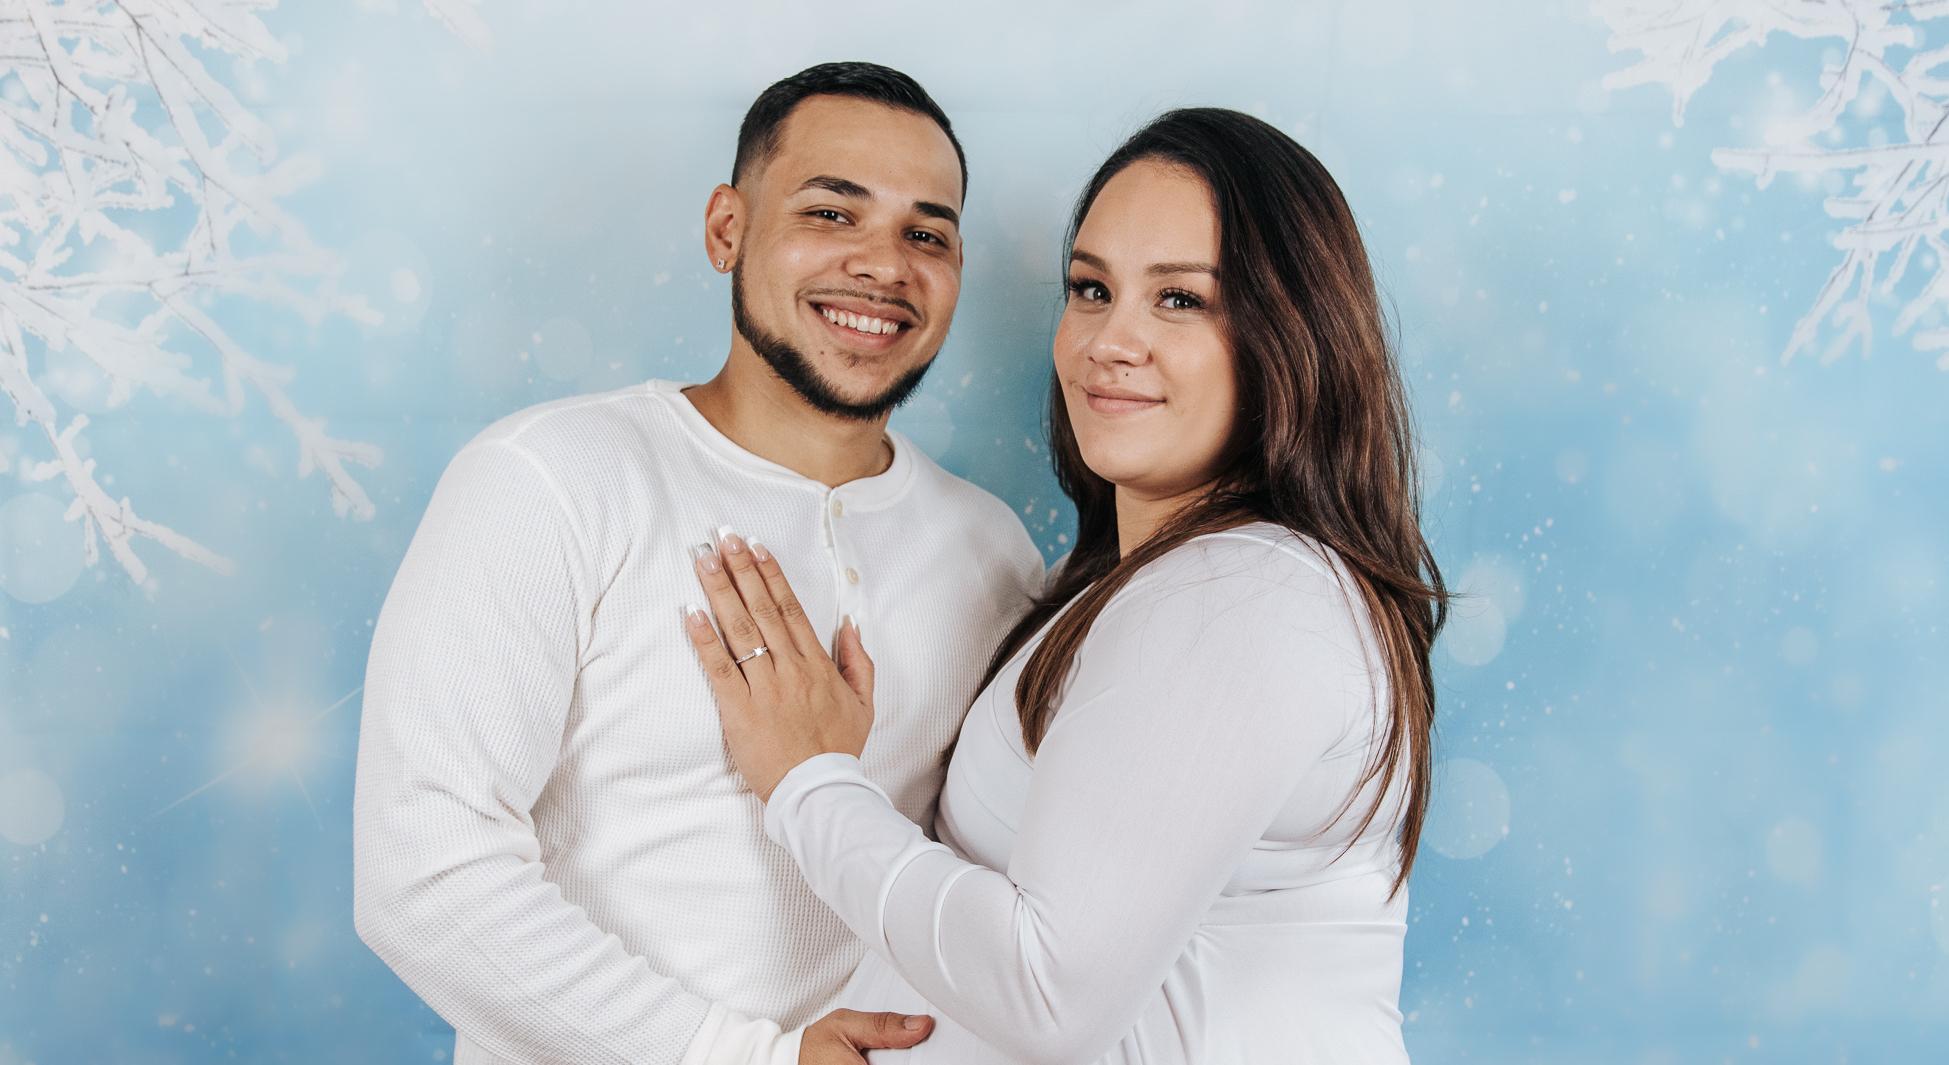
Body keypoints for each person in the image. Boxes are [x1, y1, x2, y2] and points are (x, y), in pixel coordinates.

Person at [684, 107, 1448, 1063]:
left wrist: (808, 782)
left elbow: (1046, 991)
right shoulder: (1114, 586)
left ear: (1293, 334)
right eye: (1091, 289)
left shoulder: (1244, 592)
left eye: (1180, 299)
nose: (1108, 341)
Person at [352, 62, 1043, 1065]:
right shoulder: (551, 479)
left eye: (925, 234)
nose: (882, 266)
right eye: (831, 213)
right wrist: (741, 1056)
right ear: (727, 229)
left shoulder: (993, 552)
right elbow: (423, 873)